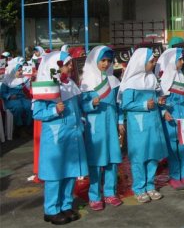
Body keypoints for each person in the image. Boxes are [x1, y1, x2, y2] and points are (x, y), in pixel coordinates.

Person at [33, 51, 87, 225]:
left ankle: (65, 204)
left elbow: (78, 106)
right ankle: (51, 209)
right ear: (55, 66)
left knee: (70, 172)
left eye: (70, 63)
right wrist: (54, 111)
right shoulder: (45, 86)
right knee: (55, 174)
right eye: (67, 64)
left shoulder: (70, 83)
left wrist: (82, 120)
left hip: (72, 135)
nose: (71, 67)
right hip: (56, 138)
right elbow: (38, 112)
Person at [119, 48, 167, 203]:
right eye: (151, 61)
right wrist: (144, 105)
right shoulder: (130, 82)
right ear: (141, 63)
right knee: (139, 156)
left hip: (153, 123)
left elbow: (157, 96)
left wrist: (160, 102)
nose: (154, 64)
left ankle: (150, 185)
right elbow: (126, 104)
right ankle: (139, 188)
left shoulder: (152, 79)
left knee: (153, 154)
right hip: (138, 125)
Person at [80, 46, 124, 211]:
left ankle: (110, 193)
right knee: (95, 163)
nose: (106, 64)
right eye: (103, 60)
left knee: (112, 161)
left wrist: (120, 122)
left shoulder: (114, 81)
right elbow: (81, 105)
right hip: (94, 129)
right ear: (94, 61)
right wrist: (91, 103)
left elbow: (119, 105)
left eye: (109, 61)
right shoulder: (86, 83)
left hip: (111, 127)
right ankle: (94, 196)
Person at [156, 48, 184, 190]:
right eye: (180, 59)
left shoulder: (181, 76)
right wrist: (164, 112)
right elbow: (160, 100)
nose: (182, 62)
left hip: (183, 117)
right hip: (170, 119)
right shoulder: (164, 79)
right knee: (173, 149)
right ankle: (175, 176)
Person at [1, 58, 33, 131]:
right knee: (18, 107)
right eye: (19, 70)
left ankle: (28, 126)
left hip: (22, 98)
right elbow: (2, 93)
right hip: (11, 100)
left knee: (30, 106)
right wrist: (9, 96)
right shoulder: (6, 80)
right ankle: (19, 127)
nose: (21, 72)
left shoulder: (23, 78)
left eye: (21, 70)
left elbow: (28, 88)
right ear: (13, 71)